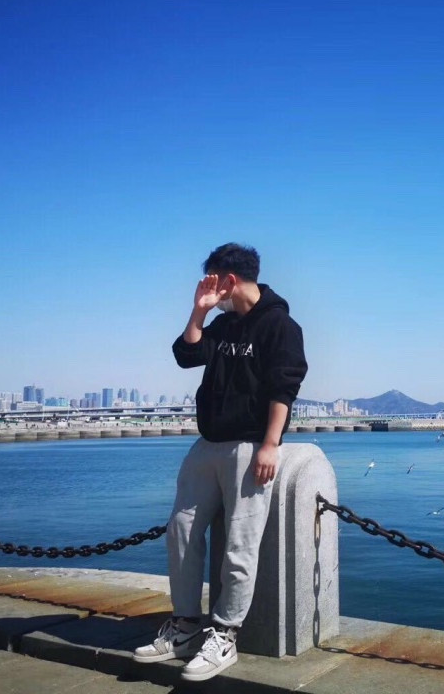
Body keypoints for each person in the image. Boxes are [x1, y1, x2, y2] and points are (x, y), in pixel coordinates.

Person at [133, 243, 308, 682]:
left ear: (229, 279)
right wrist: (200, 311)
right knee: (181, 530)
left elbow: (284, 388)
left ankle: (225, 634)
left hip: (249, 447)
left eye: (211, 280)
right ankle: (185, 626)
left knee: (239, 546)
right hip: (208, 444)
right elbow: (187, 355)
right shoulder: (224, 323)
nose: (205, 286)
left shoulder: (281, 326)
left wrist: (271, 444)